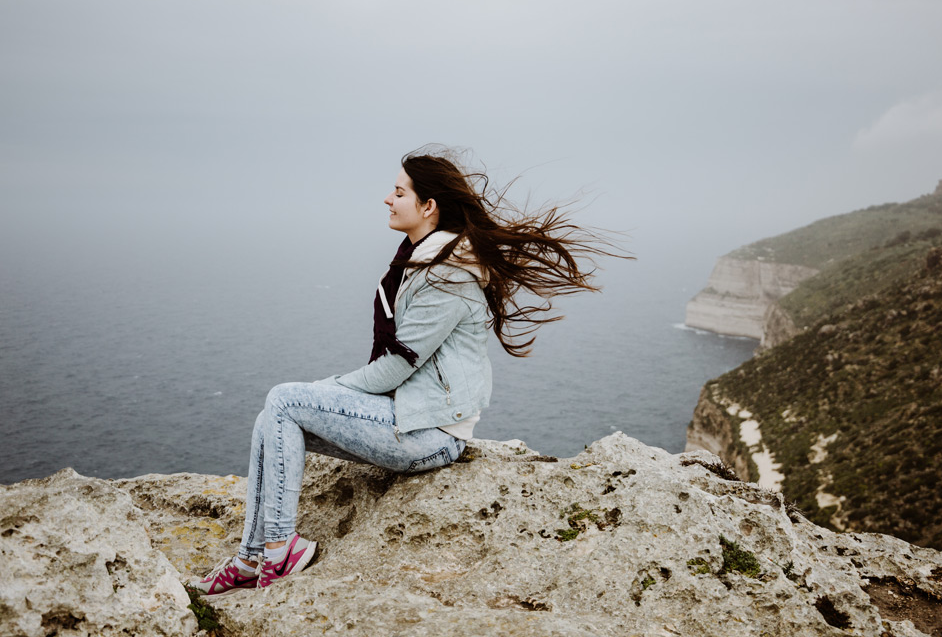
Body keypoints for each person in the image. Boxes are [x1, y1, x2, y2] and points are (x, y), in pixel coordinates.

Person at [190, 147, 622, 596]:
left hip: (432, 435)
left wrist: (321, 390)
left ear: (428, 206)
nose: (387, 200)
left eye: (399, 192)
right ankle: (252, 556)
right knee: (272, 416)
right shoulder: (425, 260)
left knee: (284, 400)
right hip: (407, 419)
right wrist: (318, 394)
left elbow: (396, 367)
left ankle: (280, 552)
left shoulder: (447, 273)